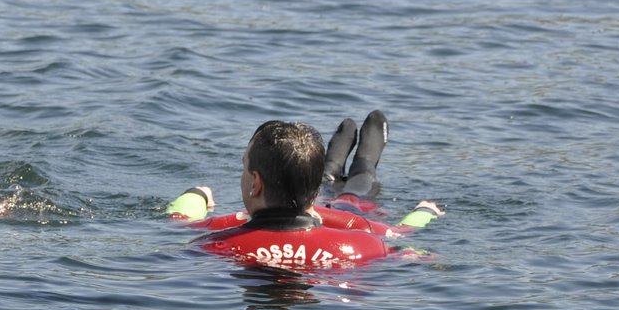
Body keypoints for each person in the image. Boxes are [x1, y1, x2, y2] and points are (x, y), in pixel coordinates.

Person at [165, 114, 442, 271]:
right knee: (354, 194)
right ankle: (359, 164)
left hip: (318, 206)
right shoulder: (366, 245)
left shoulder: (214, 244)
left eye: (244, 169)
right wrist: (426, 211)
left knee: (347, 193)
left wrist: (197, 193)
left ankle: (339, 164)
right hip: (344, 216)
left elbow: (179, 219)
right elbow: (402, 234)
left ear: (256, 183)